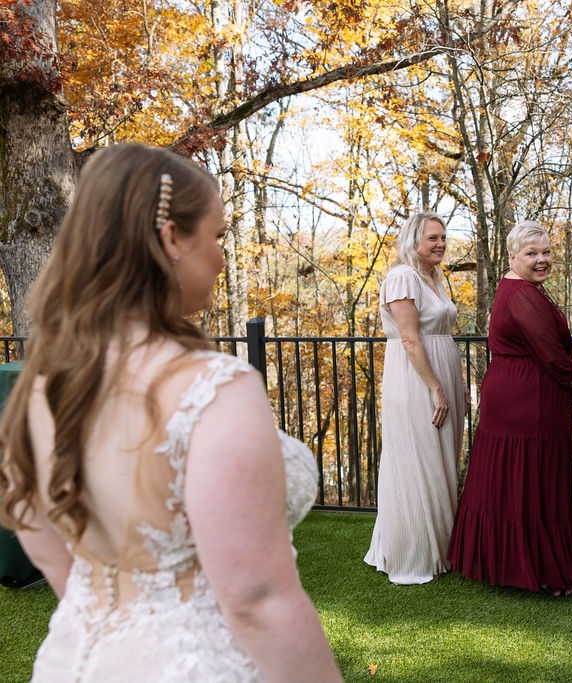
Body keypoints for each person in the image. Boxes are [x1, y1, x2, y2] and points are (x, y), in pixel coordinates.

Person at [0, 144, 342, 681]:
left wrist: (120, 630)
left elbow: (44, 542)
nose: (223, 256)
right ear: (171, 239)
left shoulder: (45, 385)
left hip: (75, 660)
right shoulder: (213, 388)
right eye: (218, 235)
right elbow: (257, 600)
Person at [447, 221, 572, 595]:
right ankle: (542, 570)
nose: (541, 260)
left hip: (514, 394)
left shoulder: (518, 288)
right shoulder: (524, 295)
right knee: (533, 479)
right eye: (532, 254)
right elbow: (552, 353)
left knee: (514, 479)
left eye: (546, 252)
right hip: (528, 401)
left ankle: (513, 561)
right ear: (513, 256)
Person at [364, 211, 467, 584]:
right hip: (416, 380)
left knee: (441, 460)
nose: (440, 243)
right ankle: (415, 553)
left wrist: (455, 385)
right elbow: (409, 339)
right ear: (414, 241)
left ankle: (443, 548)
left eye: (443, 237)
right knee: (418, 460)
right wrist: (435, 387)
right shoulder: (402, 277)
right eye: (433, 238)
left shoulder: (433, 279)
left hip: (441, 375)